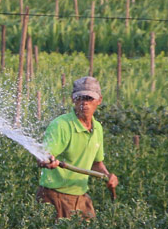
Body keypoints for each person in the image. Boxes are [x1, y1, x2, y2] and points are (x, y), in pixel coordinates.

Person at [36, 76, 118, 219]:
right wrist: (47, 160)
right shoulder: (61, 125)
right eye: (80, 98)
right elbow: (44, 155)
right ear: (73, 99)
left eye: (89, 98)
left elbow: (96, 164)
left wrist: (108, 177)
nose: (84, 103)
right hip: (55, 197)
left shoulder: (97, 128)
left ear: (99, 100)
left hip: (81, 197)